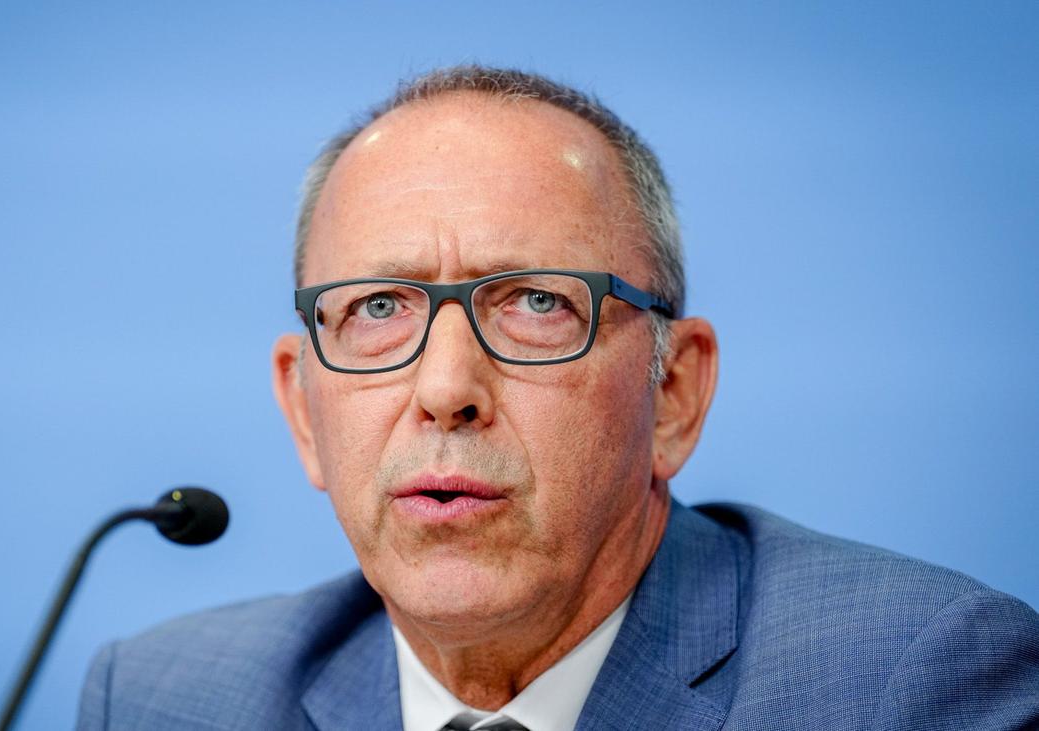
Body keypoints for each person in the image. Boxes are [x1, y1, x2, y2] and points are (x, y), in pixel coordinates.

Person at [77, 66, 1039, 730]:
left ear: (674, 392)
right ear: (302, 411)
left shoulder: (911, 686)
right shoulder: (166, 700)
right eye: (377, 308)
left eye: (537, 302)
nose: (446, 390)